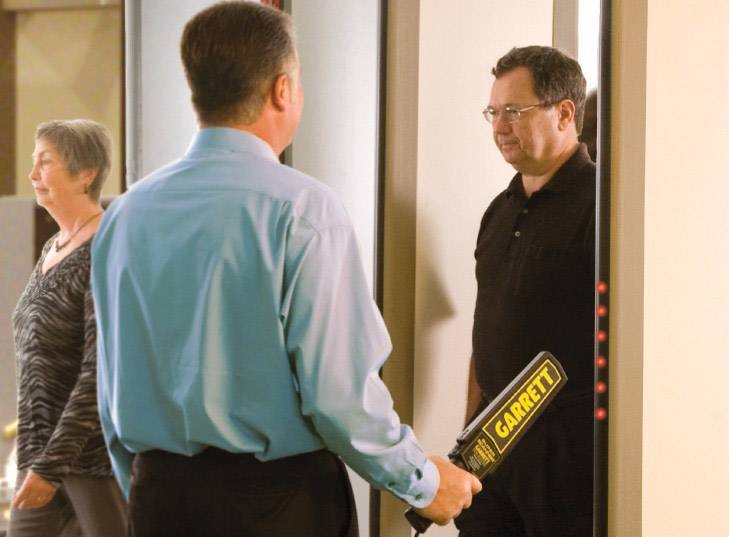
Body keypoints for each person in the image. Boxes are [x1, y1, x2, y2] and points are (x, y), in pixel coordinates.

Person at [90, 2, 480, 536]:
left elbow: (110, 395)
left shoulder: (125, 215)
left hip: (160, 498)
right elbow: (339, 397)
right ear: (282, 89)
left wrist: (151, 491)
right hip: (278, 506)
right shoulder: (302, 210)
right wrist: (425, 483)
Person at [456, 46, 595, 537]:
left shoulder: (604, 208)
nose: (499, 126)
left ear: (564, 113)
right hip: (490, 458)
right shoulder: (498, 210)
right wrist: (469, 433)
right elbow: (484, 331)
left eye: (514, 111)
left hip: (569, 468)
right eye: (493, 112)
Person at [9, 119, 126, 537]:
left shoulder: (105, 248)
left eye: (45, 162)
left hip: (89, 462)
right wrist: (36, 462)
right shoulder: (52, 247)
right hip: (38, 457)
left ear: (86, 173)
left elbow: (99, 372)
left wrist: (51, 465)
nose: (32, 175)